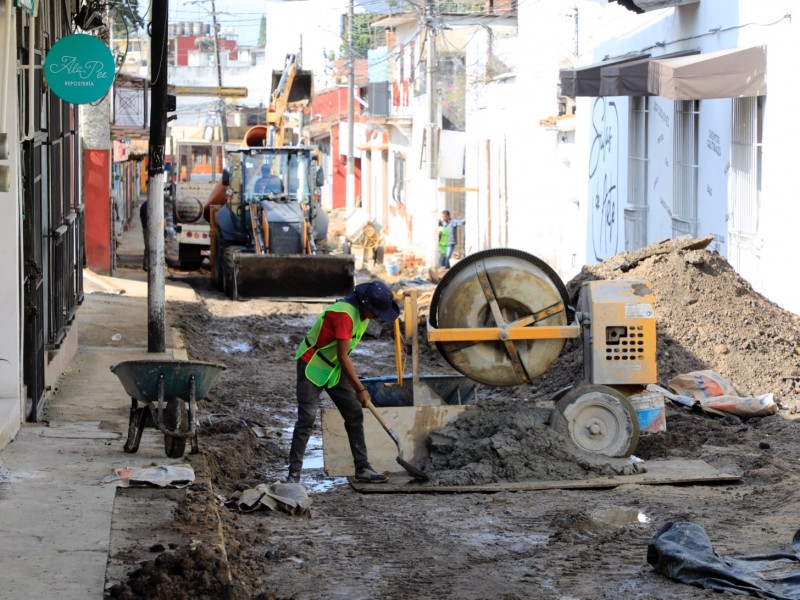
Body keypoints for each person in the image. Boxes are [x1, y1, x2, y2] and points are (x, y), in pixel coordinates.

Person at [288, 281, 400, 484]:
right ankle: (293, 475)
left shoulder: (363, 314)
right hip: (312, 365)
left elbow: (341, 356)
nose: (377, 317)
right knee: (306, 420)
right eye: (376, 312)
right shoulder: (343, 315)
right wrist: (360, 388)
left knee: (354, 412)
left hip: (332, 367)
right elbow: (343, 356)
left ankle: (362, 467)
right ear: (366, 304)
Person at [139, 200, 148, 271]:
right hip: (152, 229)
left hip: (145, 229)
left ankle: (145, 264)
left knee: (147, 247)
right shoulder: (156, 204)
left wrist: (143, 226)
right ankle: (148, 264)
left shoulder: (143, 205)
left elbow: (141, 217)